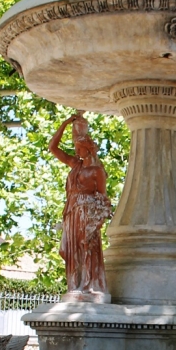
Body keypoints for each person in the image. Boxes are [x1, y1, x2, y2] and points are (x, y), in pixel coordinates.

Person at [48, 113, 112, 301]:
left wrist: (96, 222)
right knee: (73, 248)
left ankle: (90, 285)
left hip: (87, 215)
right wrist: (65, 124)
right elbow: (53, 147)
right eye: (75, 148)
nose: (76, 152)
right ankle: (74, 285)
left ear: (87, 149)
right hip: (72, 211)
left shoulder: (97, 171)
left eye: (78, 148)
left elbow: (103, 198)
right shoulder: (74, 165)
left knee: (87, 248)